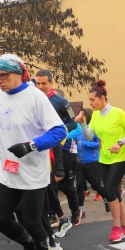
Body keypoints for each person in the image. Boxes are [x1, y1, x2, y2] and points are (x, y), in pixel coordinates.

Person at [0, 53, 67, 250]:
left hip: (33, 171)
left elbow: (59, 132)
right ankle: (31, 249)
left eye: (4, 75)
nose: (0, 80)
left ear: (19, 74)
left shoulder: (36, 97)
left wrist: (31, 145)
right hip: (7, 169)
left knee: (33, 221)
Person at [75, 80, 125, 243]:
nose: (90, 103)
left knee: (108, 191)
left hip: (120, 158)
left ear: (102, 98)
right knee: (115, 193)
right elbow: (90, 136)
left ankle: (117, 228)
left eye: (92, 100)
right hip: (104, 158)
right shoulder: (95, 115)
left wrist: (120, 142)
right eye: (89, 100)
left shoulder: (118, 113)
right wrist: (82, 125)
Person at [35, 69, 81, 229]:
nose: (40, 87)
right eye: (38, 83)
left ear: (51, 83)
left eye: (44, 83)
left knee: (67, 186)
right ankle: (52, 215)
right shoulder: (32, 99)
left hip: (62, 148)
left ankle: (76, 211)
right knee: (49, 185)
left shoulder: (60, 101)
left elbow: (73, 123)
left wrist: (57, 128)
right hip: (40, 148)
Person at [69, 108, 108, 218]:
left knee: (96, 185)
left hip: (92, 162)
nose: (80, 116)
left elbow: (99, 144)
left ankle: (106, 198)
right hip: (80, 162)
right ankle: (81, 210)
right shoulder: (77, 130)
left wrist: (86, 144)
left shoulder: (92, 129)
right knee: (80, 186)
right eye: (79, 114)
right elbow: (71, 140)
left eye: (83, 115)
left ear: (88, 117)